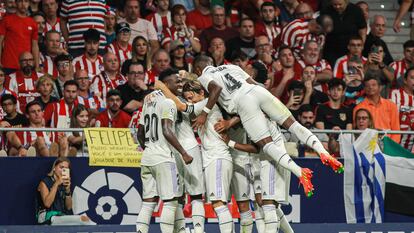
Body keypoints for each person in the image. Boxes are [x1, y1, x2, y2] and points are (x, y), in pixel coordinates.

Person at [193, 55, 344, 197]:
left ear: (198, 69)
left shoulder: (204, 76)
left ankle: (299, 172)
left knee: (266, 144)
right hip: (258, 91)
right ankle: (323, 151)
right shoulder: (230, 67)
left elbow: (216, 89)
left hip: (243, 103)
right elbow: (253, 83)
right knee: (293, 124)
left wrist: (204, 113)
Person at [155, 77, 234, 233]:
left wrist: (162, 87)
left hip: (217, 156)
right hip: (211, 156)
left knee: (218, 203)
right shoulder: (202, 105)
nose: (189, 101)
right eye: (187, 98)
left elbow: (181, 106)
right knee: (214, 202)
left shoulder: (205, 104)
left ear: (202, 93)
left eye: (191, 97)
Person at [136, 69, 193, 233]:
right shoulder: (169, 103)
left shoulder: (149, 100)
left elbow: (140, 133)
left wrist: (150, 148)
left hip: (147, 157)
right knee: (171, 202)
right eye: (177, 81)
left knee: (148, 202)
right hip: (163, 158)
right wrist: (183, 152)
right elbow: (167, 130)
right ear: (166, 84)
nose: (180, 84)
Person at [36, 157, 93, 225]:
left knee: (83, 223)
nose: (63, 170)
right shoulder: (44, 182)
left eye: (66, 169)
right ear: (54, 168)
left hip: (61, 216)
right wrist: (56, 184)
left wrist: (67, 190)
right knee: (82, 219)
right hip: (47, 216)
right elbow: (47, 204)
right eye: (61, 167)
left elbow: (68, 207)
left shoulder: (64, 183)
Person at [353, 75, 401, 143]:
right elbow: (357, 132)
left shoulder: (391, 105)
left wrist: (390, 147)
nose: (370, 87)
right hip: (367, 145)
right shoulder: (358, 108)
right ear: (364, 89)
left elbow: (396, 131)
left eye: (373, 85)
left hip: (389, 145)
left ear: (380, 87)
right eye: (367, 85)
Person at [321, 0, 367, 66]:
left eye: (340, 4)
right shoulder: (326, 11)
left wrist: (361, 46)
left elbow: (362, 31)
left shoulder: (356, 10)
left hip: (351, 50)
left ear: (346, 2)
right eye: (334, 4)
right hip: (331, 50)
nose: (337, 7)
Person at [0, 0, 40, 74]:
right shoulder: (6, 20)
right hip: (8, 64)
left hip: (26, 66)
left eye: (26, 1)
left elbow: (35, 46)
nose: (23, 4)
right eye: (20, 1)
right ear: (16, 3)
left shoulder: (33, 23)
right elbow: (0, 41)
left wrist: (37, 66)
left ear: (29, 3)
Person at [390, 67, 414, 151]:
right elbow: (390, 118)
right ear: (405, 80)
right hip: (396, 145)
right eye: (412, 78)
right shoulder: (395, 94)